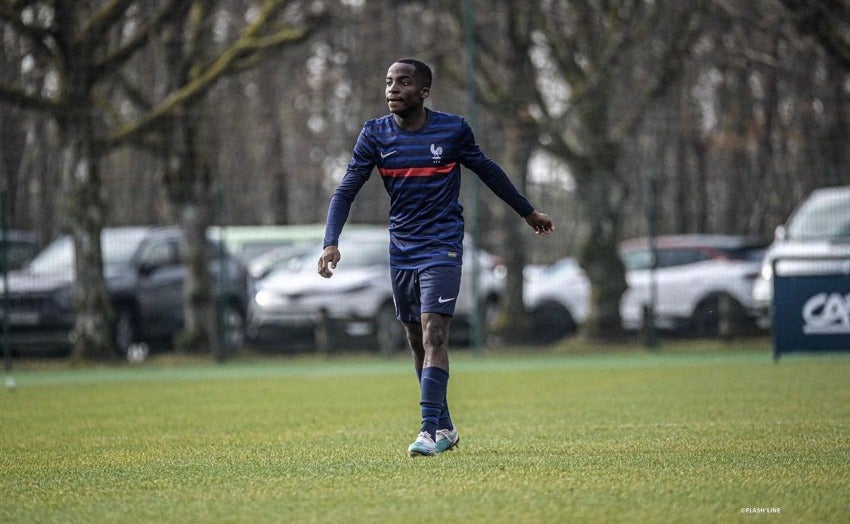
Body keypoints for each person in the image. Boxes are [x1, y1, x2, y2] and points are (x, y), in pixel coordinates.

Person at [318, 58, 554, 457]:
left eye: (404, 82)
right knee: (415, 339)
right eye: (389, 81)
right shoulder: (373, 135)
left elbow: (489, 170)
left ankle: (427, 430)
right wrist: (330, 241)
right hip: (402, 249)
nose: (393, 88)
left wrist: (527, 211)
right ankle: (444, 426)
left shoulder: (452, 130)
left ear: (424, 91)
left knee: (434, 334)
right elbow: (346, 190)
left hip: (442, 244)